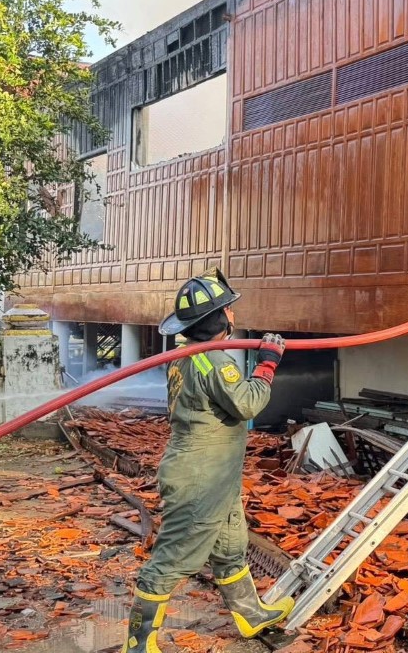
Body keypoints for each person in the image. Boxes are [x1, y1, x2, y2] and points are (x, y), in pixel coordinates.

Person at [121, 268, 293, 653]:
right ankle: (138, 643)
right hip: (200, 478)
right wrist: (267, 364)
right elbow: (247, 403)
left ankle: (251, 615)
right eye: (228, 310)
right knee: (173, 559)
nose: (233, 314)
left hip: (217, 476)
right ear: (219, 320)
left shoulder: (187, 357)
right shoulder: (214, 362)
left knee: (231, 547)